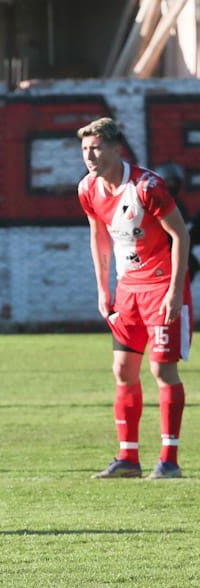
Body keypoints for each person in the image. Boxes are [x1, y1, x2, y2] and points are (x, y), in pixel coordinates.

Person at [79, 119, 190, 480]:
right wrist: (102, 288)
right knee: (123, 371)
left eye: (96, 148)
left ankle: (169, 459)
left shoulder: (147, 186)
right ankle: (128, 458)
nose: (89, 155)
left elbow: (180, 236)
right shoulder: (87, 189)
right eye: (84, 149)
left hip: (160, 288)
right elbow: (98, 236)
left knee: (162, 369)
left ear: (116, 149)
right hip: (127, 291)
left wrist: (175, 291)